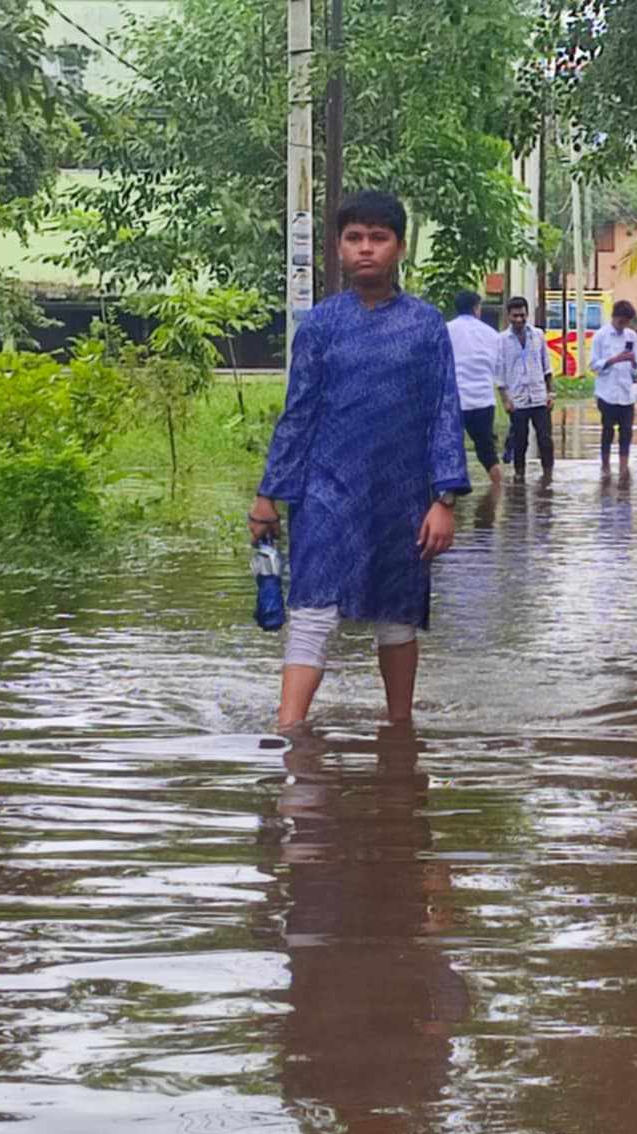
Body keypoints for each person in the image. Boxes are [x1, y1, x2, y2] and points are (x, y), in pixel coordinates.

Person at [249, 189, 470, 730]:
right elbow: (298, 413)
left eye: (378, 238)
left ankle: (400, 730)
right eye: (354, 239)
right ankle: (287, 731)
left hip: (403, 495)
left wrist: (443, 500)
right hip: (326, 489)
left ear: (398, 248)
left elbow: (445, 411)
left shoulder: (425, 325)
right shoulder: (321, 326)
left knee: (396, 618)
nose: (365, 249)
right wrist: (267, 496)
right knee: (312, 610)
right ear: (339, 248)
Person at [446, 289, 504, 487]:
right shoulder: (492, 335)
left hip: (455, 402)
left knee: (450, 449)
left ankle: (449, 496)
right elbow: (499, 370)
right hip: (483, 401)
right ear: (476, 308)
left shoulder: (446, 330)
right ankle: (499, 493)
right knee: (488, 452)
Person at [497, 295, 555, 482]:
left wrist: (550, 393)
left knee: (545, 440)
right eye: (515, 316)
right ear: (508, 316)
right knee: (520, 441)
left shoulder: (537, 335)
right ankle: (519, 475)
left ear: (527, 314)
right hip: (517, 400)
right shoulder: (502, 340)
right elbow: (499, 374)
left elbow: (547, 367)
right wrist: (505, 400)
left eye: (522, 315)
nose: (519, 320)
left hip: (539, 397)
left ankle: (548, 476)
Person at [590, 299, 637, 470]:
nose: (623, 325)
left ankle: (624, 466)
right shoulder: (601, 336)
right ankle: (605, 466)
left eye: (627, 322)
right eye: (621, 321)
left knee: (626, 431)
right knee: (608, 430)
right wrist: (614, 360)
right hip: (607, 392)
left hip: (626, 393)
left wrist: (633, 361)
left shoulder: (631, 336)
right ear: (615, 317)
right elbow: (594, 364)